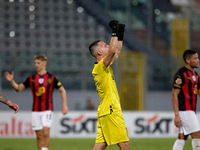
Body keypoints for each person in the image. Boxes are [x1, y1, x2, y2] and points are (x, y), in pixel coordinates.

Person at [4, 54, 68, 150]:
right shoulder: (31, 78)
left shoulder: (52, 78)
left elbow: (62, 90)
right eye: (35, 63)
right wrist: (12, 81)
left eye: (38, 63)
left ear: (44, 63)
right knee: (39, 135)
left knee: (46, 132)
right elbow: (18, 88)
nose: (36, 65)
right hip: (35, 110)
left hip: (47, 109)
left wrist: (64, 106)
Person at [89, 20, 130, 150]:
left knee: (99, 147)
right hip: (111, 110)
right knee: (125, 145)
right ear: (99, 53)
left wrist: (120, 34)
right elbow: (112, 51)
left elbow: (116, 52)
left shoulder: (103, 67)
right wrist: (113, 31)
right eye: (105, 45)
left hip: (105, 111)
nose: (108, 46)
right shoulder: (100, 68)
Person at [172, 49, 200, 150]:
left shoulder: (196, 75)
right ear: (187, 60)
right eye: (195, 58)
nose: (198, 60)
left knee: (182, 138)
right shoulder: (181, 74)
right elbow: (174, 95)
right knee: (197, 136)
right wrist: (177, 115)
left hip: (191, 110)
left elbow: (198, 91)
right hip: (185, 110)